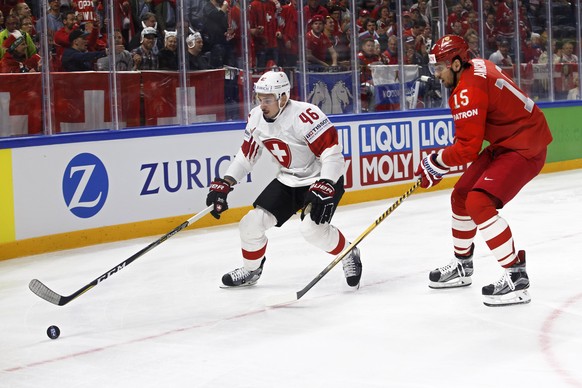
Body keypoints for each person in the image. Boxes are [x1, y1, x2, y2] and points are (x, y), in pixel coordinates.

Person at [416, 35, 552, 306]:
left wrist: (435, 161)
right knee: (461, 195)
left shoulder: (467, 90)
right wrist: (440, 162)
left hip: (524, 147)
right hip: (510, 140)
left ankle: (516, 276)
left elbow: (467, 149)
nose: (437, 74)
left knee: (478, 201)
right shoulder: (476, 65)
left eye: (440, 67)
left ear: (456, 64)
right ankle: (462, 265)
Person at [205, 71, 362, 288]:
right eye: (260, 98)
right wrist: (227, 181)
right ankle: (252, 270)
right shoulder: (256, 118)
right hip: (288, 180)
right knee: (250, 224)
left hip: (321, 180)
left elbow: (332, 153)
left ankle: (348, 253)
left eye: (267, 99)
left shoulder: (306, 116)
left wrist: (326, 182)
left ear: (283, 98)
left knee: (312, 230)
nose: (262, 104)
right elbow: (246, 156)